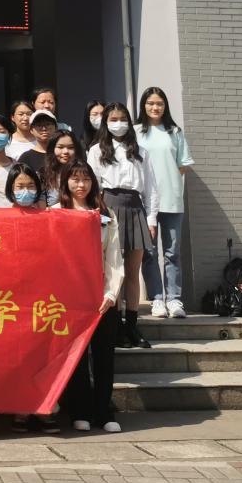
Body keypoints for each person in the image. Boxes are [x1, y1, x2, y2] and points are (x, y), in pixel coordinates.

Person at [59, 160, 125, 434]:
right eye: (75, 179)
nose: (81, 185)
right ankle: (81, 410)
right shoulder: (57, 213)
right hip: (70, 299)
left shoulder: (106, 216)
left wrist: (111, 293)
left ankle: (104, 411)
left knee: (103, 356)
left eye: (86, 179)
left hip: (101, 297)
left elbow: (114, 259)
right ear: (65, 183)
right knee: (75, 358)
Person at [88, 102, 159, 350]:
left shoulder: (140, 151)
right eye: (113, 119)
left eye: (122, 119)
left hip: (135, 207)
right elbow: (93, 185)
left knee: (132, 271)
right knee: (113, 269)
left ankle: (132, 325)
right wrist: (98, 215)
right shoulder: (97, 150)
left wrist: (151, 219)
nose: (118, 123)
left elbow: (151, 188)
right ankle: (116, 325)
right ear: (106, 123)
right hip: (109, 206)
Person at [2, 164, 59, 435]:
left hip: (41, 296)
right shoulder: (0, 219)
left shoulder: (48, 218)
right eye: (19, 187)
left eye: (30, 186)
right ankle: (20, 409)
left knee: (42, 356)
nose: (25, 191)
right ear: (10, 190)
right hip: (12, 297)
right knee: (18, 357)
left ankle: (45, 408)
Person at [136, 87, 195, 319]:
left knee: (172, 253)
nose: (155, 107)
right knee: (149, 253)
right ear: (143, 105)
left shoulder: (174, 131)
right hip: (144, 201)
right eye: (150, 103)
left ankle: (174, 299)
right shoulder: (136, 131)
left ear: (165, 106)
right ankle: (157, 299)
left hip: (172, 200)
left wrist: (168, 181)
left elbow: (183, 164)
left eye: (159, 103)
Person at [40, 130, 85, 207]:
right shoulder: (43, 174)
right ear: (52, 149)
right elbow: (41, 206)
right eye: (60, 147)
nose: (66, 151)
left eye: (70, 147)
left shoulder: (85, 172)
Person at [18, 109, 59, 177]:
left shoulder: (62, 154)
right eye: (39, 125)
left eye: (48, 124)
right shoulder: (26, 157)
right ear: (31, 130)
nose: (44, 128)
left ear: (56, 128)